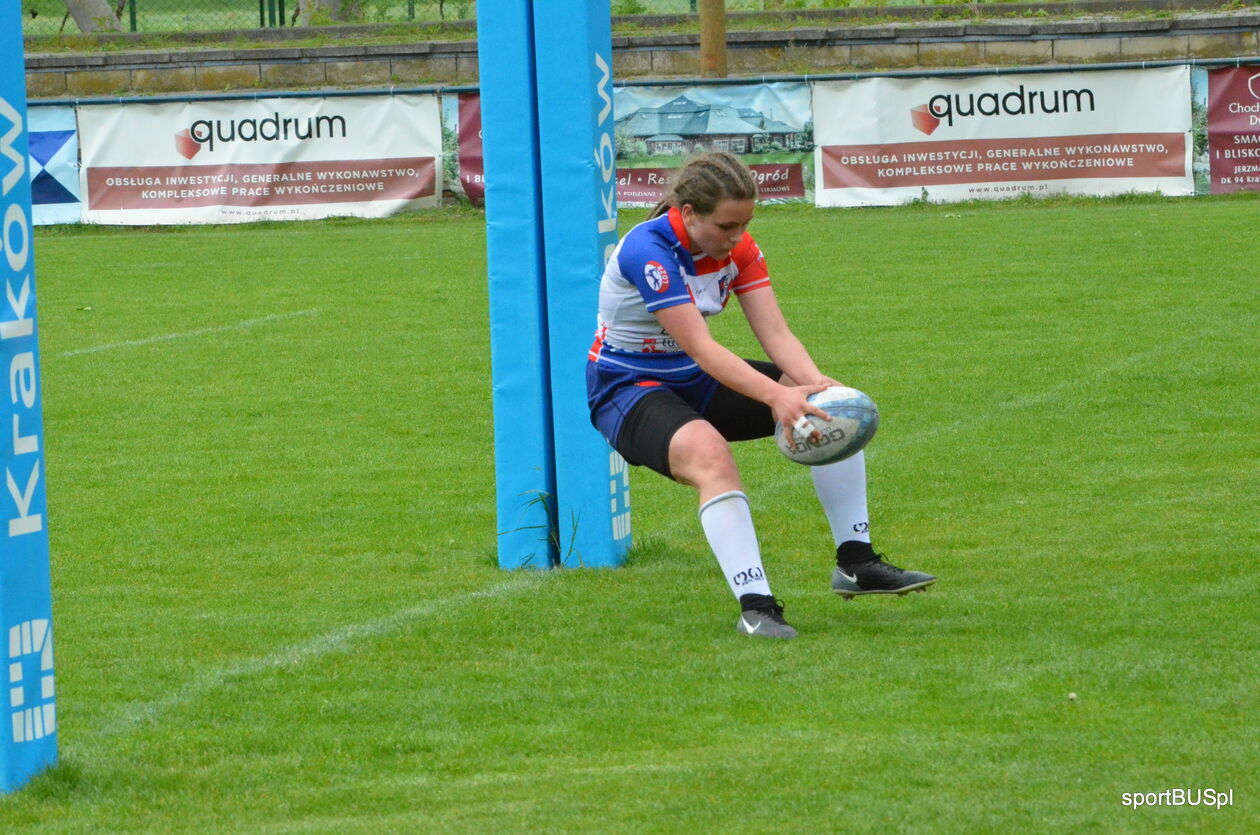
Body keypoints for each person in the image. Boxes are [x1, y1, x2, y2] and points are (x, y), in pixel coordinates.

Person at [586, 151, 936, 639]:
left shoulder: (740, 248)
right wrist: (777, 398)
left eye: (745, 224)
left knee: (829, 407)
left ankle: (857, 562)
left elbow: (775, 332)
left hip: (694, 375)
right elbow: (703, 348)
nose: (737, 237)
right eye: (727, 225)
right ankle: (757, 607)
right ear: (689, 214)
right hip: (627, 386)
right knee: (711, 454)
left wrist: (814, 386)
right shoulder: (648, 250)